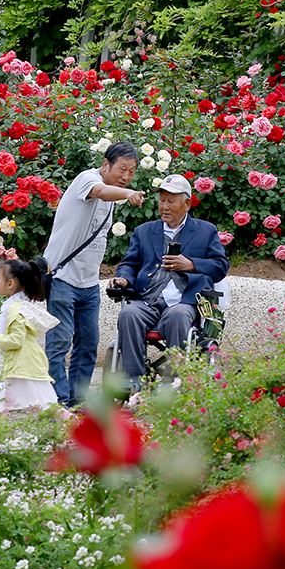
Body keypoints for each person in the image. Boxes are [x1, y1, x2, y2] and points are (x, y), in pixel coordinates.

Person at [43, 142, 147, 406]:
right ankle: (59, 403)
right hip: (62, 278)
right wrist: (128, 193)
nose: (126, 176)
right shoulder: (87, 179)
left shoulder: (114, 193)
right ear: (105, 164)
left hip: (89, 284)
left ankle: (76, 403)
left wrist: (124, 191)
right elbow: (100, 191)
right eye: (122, 169)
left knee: (88, 346)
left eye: (132, 171)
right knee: (59, 344)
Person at [111, 174, 229, 397]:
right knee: (129, 313)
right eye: (161, 200)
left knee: (178, 316)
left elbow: (220, 266)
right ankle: (134, 382)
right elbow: (129, 263)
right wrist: (124, 278)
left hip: (183, 301)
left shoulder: (205, 231)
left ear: (187, 203)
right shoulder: (144, 231)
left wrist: (191, 264)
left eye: (170, 201)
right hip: (148, 299)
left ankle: (173, 383)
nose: (164, 206)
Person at [0, 256, 61, 414]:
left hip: (19, 363)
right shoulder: (16, 305)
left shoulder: (13, 309)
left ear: (10, 284)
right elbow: (12, 333)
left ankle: (74, 427)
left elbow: (16, 340)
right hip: (16, 364)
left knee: (40, 404)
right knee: (4, 403)